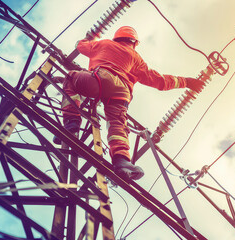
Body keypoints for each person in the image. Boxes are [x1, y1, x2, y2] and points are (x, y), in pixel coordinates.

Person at [55, 26, 205, 181]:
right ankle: (122, 161)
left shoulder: (104, 44)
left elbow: (80, 45)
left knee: (71, 78)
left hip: (100, 79)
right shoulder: (136, 58)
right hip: (121, 92)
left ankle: (72, 122)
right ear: (133, 42)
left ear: (117, 38)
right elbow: (159, 81)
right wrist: (186, 82)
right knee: (117, 125)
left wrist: (91, 37)